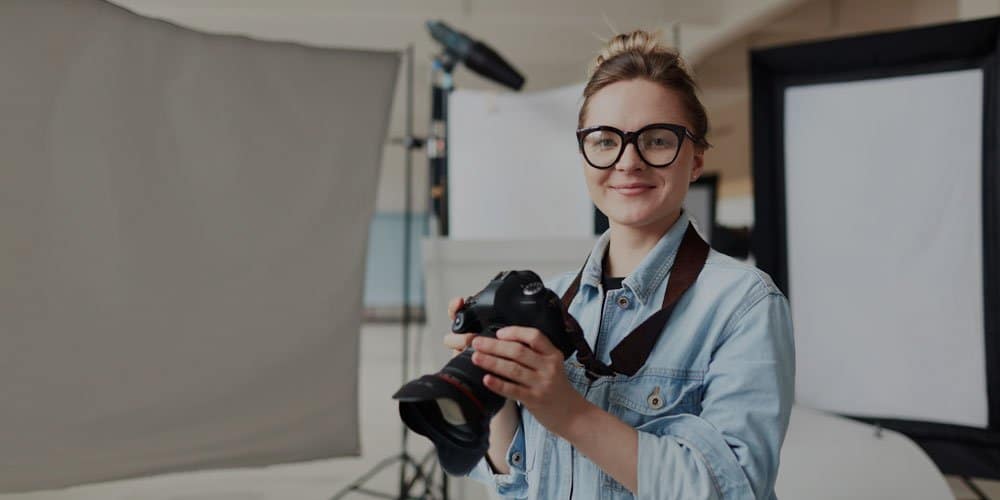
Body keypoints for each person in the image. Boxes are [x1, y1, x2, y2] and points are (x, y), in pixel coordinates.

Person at [443, 29, 795, 500]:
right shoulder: (552, 298)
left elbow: (732, 493)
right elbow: (520, 483)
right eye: (606, 141)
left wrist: (569, 412)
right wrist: (495, 382)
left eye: (656, 140)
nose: (628, 162)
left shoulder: (744, 306)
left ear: (695, 159)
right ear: (585, 154)